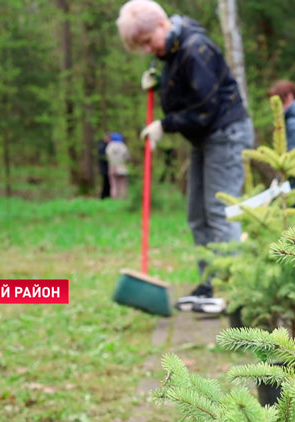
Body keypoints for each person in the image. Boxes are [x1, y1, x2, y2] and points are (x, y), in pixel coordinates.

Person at [116, 0, 253, 314]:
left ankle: (230, 290)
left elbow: (205, 108)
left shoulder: (194, 49)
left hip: (225, 135)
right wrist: (162, 82)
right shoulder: (174, 51)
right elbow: (187, 91)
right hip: (205, 139)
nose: (150, 50)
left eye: (149, 42)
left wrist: (165, 125)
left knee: (220, 212)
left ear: (163, 25)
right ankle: (209, 284)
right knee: (197, 215)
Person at [106, 132, 130, 199]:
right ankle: (123, 198)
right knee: (123, 185)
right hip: (122, 167)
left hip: (112, 167)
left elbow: (107, 156)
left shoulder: (109, 146)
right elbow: (127, 156)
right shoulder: (123, 146)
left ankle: (114, 198)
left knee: (114, 185)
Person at [98, 134, 112, 199]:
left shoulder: (103, 145)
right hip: (105, 168)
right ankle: (104, 196)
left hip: (105, 168)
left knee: (107, 183)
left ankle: (106, 196)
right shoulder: (103, 146)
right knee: (106, 183)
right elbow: (104, 158)